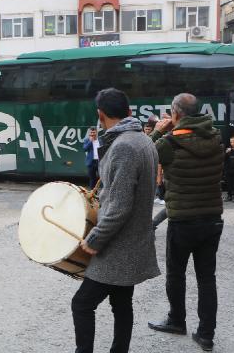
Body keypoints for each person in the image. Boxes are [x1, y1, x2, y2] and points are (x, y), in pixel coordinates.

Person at [72, 88, 160, 353]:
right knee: (122, 305)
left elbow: (120, 206)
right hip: (134, 242)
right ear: (129, 112)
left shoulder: (123, 147)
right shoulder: (144, 140)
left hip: (118, 246)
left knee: (82, 304)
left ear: (100, 115)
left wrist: (95, 239)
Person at [148, 93, 224, 352]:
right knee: (206, 278)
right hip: (213, 219)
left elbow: (145, 155)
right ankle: (206, 335)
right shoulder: (215, 137)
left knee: (176, 274)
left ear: (177, 113)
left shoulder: (170, 142)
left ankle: (176, 320)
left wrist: (159, 131)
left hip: (183, 221)